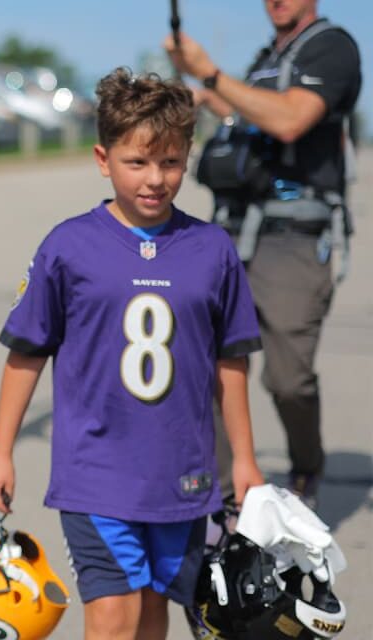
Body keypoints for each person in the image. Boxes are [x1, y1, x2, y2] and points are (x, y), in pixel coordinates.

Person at [0, 69, 266, 640]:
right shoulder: (68, 246)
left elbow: (231, 361)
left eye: (171, 163)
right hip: (96, 471)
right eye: (137, 163)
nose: (155, 179)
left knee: (156, 610)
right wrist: (1, 451)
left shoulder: (211, 249)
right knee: (114, 613)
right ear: (103, 158)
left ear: (188, 158)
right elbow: (27, 353)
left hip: (182, 474)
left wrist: (244, 460)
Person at [165, 0, 361, 510]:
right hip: (230, 230)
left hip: (294, 235)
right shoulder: (264, 59)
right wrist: (200, 93)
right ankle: (227, 502)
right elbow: (247, 110)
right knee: (207, 364)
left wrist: (211, 72)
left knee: (287, 378)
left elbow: (292, 119)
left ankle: (306, 465)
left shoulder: (332, 48)